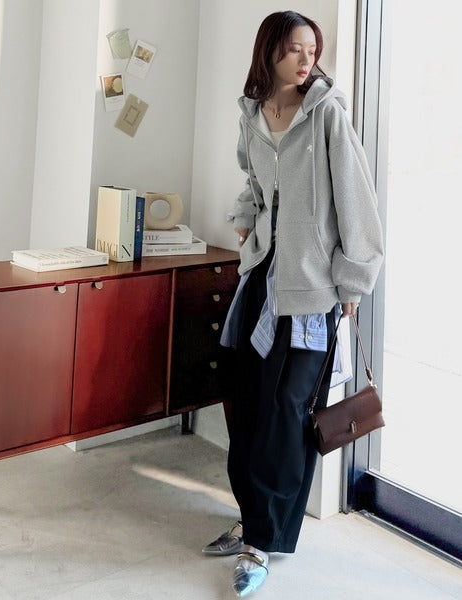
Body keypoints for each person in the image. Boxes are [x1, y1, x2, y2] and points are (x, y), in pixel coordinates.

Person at [201, 10, 384, 598]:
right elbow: (255, 185)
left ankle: (263, 541)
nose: (307, 60)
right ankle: (250, 517)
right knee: (248, 405)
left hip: (311, 290)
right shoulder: (253, 114)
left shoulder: (327, 114)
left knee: (285, 411)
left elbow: (357, 202)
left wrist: (352, 284)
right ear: (270, 53)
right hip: (261, 277)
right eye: (294, 50)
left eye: (312, 49)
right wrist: (245, 220)